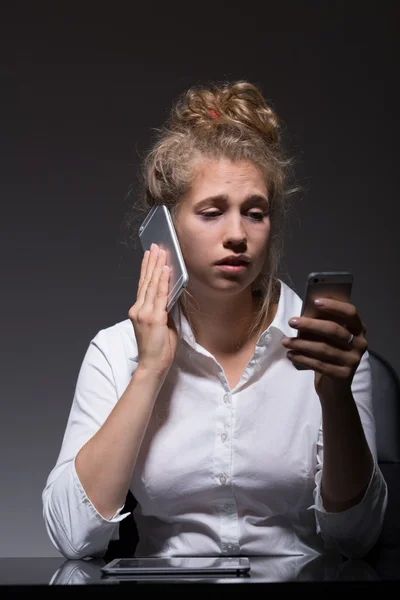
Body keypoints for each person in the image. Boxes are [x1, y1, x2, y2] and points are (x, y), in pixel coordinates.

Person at [42, 80, 387, 561]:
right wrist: (149, 372)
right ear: (165, 230)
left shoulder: (329, 349)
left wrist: (335, 396)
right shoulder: (116, 352)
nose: (237, 235)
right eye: (211, 212)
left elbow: (357, 539)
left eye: (255, 212)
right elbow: (72, 538)